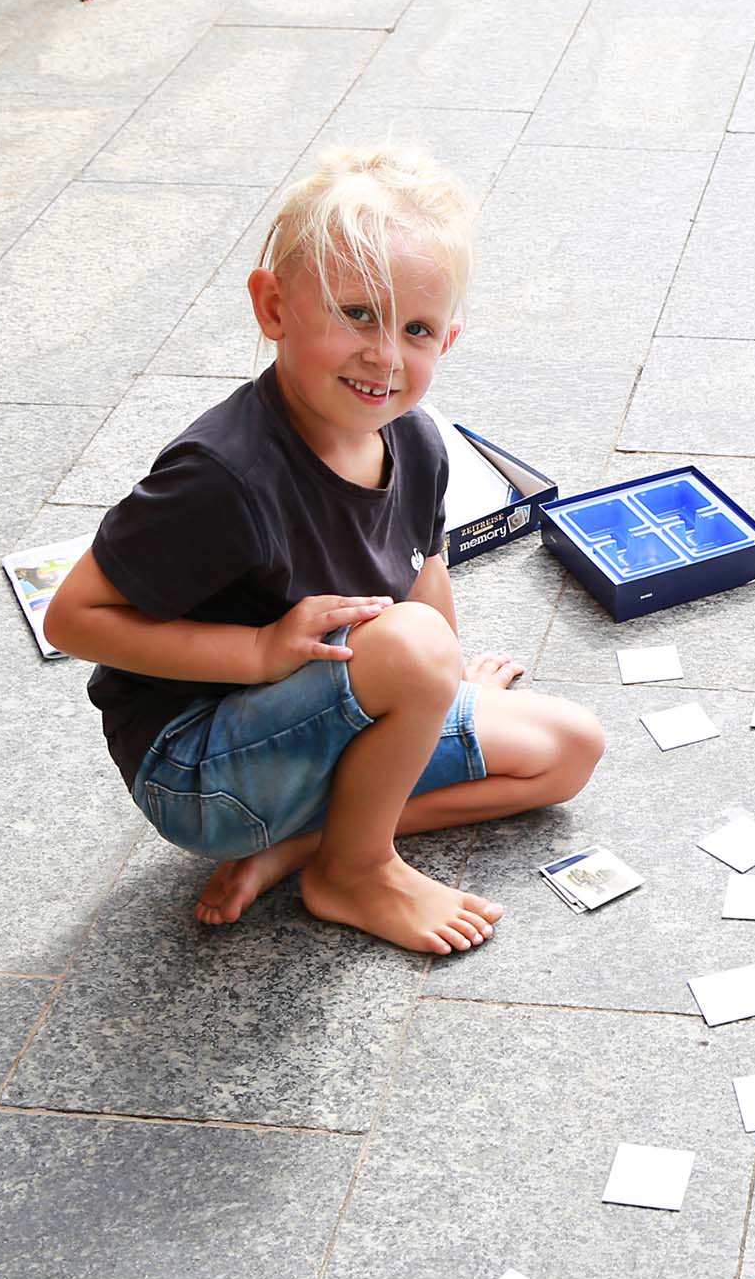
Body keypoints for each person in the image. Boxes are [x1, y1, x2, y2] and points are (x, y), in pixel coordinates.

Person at [47, 147, 605, 956]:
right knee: (417, 650)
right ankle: (355, 870)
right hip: (199, 769)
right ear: (273, 306)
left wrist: (436, 693)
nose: (385, 354)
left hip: (324, 727)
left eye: (415, 329)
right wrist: (263, 651)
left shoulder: (414, 439)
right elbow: (72, 618)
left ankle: (308, 849)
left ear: (447, 339)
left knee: (570, 749)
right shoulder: (220, 475)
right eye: (357, 313)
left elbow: (426, 580)